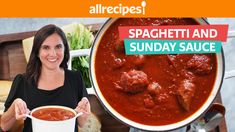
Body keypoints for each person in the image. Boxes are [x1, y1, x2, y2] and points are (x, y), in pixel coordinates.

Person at [0, 24, 91, 132]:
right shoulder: (23, 81)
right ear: (37, 52)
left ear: (65, 49)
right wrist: (14, 106)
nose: (52, 54)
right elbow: (4, 126)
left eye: (58, 46)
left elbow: (81, 122)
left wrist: (83, 111)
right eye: (46, 47)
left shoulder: (75, 78)